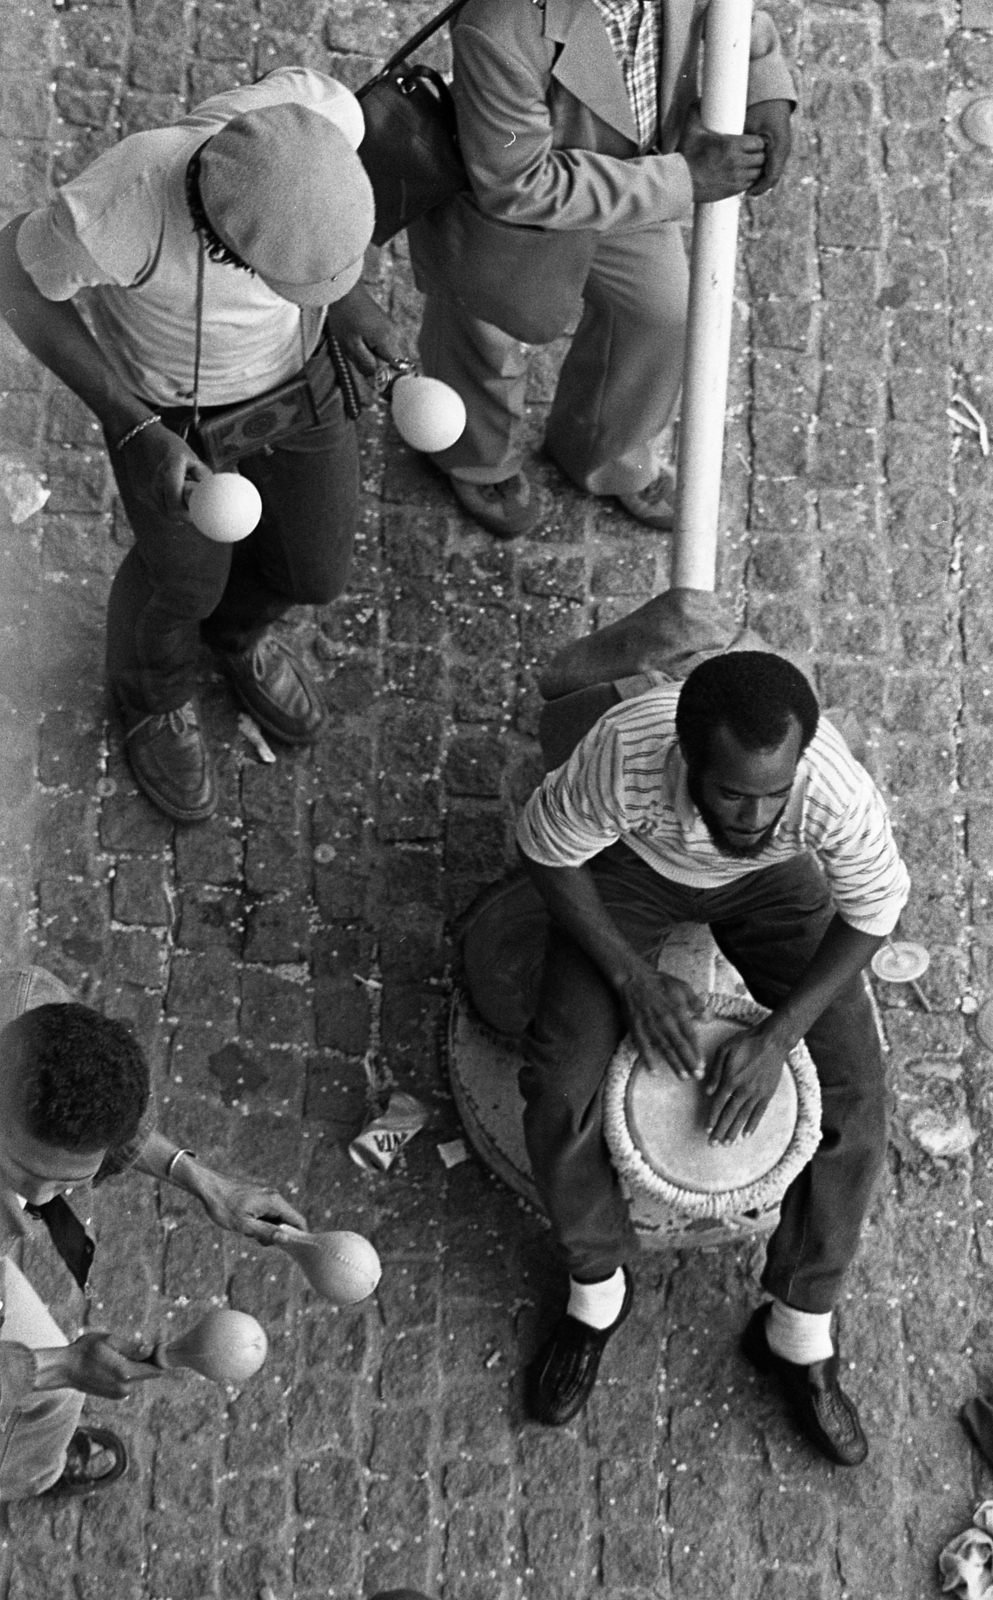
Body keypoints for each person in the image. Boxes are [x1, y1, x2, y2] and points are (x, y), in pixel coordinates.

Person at [514, 652, 911, 1465]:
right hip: (636, 871)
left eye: (774, 792)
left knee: (858, 1092)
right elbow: (546, 848)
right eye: (733, 792)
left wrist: (778, 1035)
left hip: (772, 890)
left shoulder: (826, 791)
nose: (757, 812)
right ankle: (597, 1287)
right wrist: (629, 977)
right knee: (557, 1082)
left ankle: (798, 1327)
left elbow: (875, 910)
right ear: (686, 759)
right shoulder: (625, 750)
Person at [0, 67, 403, 824]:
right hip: (166, 415)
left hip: (301, 378)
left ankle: (236, 635)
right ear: (223, 240)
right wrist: (133, 424)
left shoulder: (326, 113)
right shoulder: (121, 206)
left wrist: (344, 299)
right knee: (182, 582)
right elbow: (10, 277)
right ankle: (151, 695)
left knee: (314, 569)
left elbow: (309, 221)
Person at [407, 0, 795, 538]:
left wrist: (764, 81)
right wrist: (684, 180)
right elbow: (516, 184)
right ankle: (474, 455)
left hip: (634, 182)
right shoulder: (498, 26)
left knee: (664, 315)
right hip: (510, 213)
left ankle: (603, 453)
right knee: (478, 334)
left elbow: (732, 12)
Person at [0, 966, 307, 1500]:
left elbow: (113, 1124)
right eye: (21, 1171)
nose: (41, 1201)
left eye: (68, 1180)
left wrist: (205, 1182)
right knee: (53, 1400)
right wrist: (59, 1366)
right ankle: (20, 1473)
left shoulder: (27, 1006)